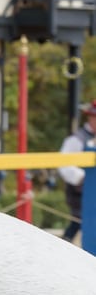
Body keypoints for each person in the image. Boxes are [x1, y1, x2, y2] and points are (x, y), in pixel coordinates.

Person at [57, 101, 96, 244]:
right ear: (91, 118)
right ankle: (63, 248)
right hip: (81, 190)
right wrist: (83, 178)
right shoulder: (77, 139)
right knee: (79, 221)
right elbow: (63, 163)